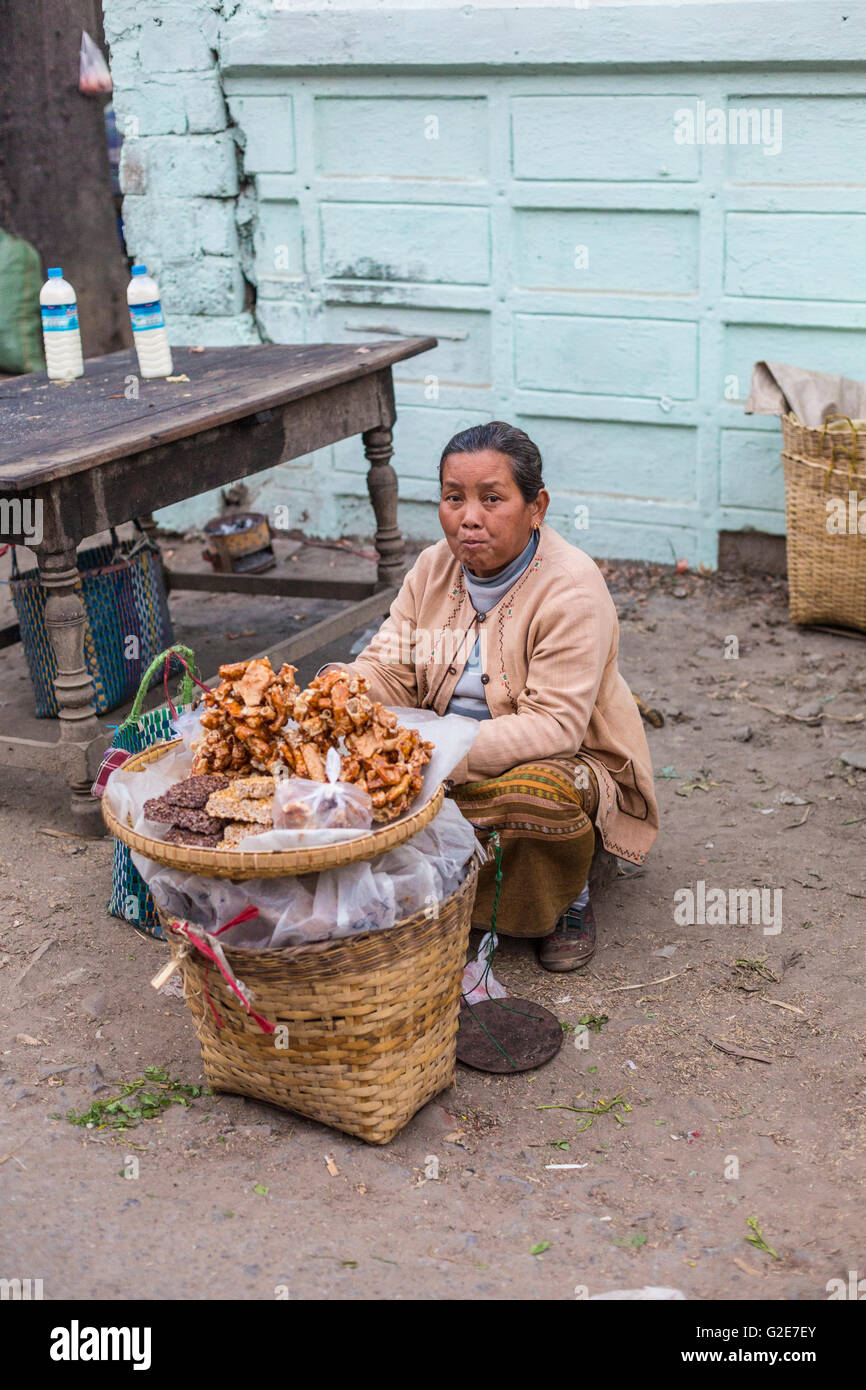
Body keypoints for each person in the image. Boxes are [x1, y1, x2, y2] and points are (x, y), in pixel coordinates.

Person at [319, 421, 658, 972]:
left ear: (536, 506)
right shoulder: (433, 568)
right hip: (436, 749)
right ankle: (436, 891)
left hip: (557, 760)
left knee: (535, 800)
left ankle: (565, 898)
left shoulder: (571, 588)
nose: (469, 517)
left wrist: (427, 754)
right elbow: (388, 664)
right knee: (327, 770)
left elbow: (553, 728)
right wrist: (344, 690)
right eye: (454, 498)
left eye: (492, 498)